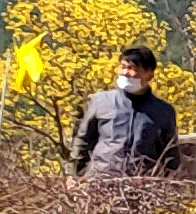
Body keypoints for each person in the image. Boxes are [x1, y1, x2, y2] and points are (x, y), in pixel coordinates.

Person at [68, 47, 179, 178]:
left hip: (141, 184)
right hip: (100, 179)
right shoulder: (101, 101)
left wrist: (167, 182)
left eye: (133, 69)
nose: (125, 73)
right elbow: (83, 141)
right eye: (123, 67)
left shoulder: (162, 112)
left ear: (149, 74)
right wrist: (73, 174)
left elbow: (170, 153)